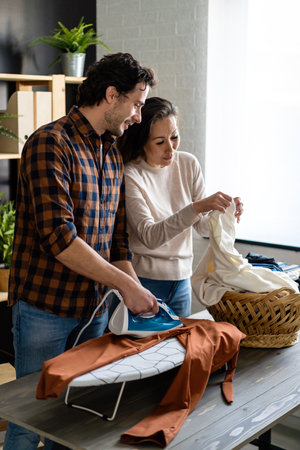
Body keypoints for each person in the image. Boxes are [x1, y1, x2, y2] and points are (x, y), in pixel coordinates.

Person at [4, 53, 158, 450]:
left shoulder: (112, 151)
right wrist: (126, 286)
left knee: (71, 419)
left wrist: (136, 290)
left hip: (93, 311)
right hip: (45, 310)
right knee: (29, 420)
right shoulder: (49, 144)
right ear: (111, 95)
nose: (139, 116)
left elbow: (116, 240)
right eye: (137, 103)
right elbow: (60, 238)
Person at [118, 97, 243, 318]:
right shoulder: (132, 174)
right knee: (146, 350)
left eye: (174, 137)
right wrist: (198, 207)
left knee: (179, 349)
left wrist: (224, 211)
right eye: (159, 142)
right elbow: (150, 236)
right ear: (141, 142)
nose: (170, 149)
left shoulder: (188, 164)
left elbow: (203, 228)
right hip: (145, 283)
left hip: (183, 281)